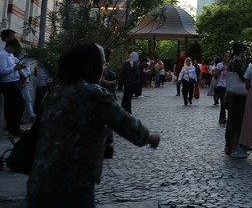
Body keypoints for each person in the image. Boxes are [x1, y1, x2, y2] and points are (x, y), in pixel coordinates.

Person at [26, 43, 160, 207]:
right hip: (72, 183)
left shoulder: (57, 91)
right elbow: (124, 121)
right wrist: (149, 137)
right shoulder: (92, 93)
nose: (104, 68)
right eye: (103, 64)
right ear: (90, 67)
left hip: (39, 181)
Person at [225, 42, 249, 157]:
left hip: (233, 94)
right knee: (236, 119)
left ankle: (231, 144)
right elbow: (244, 76)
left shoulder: (232, 60)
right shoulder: (237, 62)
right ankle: (233, 145)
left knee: (232, 119)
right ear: (241, 51)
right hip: (238, 95)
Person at [0, 38, 27, 137]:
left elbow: (15, 64)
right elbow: (2, 71)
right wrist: (14, 68)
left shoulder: (10, 55)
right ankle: (14, 129)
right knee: (19, 103)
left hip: (14, 82)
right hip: (8, 83)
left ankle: (14, 128)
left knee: (14, 105)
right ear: (10, 46)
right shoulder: (2, 55)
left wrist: (20, 67)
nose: (15, 51)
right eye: (14, 48)